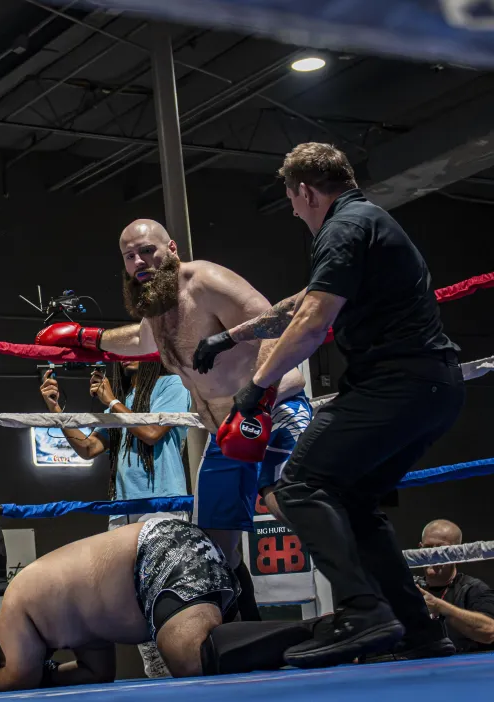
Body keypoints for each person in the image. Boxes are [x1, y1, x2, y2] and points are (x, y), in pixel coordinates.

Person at [198, 143, 465, 667]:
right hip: (431, 389)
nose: (295, 211)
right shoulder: (365, 223)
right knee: (355, 500)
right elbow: (300, 303)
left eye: (292, 201)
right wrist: (231, 336)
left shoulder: (342, 228)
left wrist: (257, 388)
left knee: (299, 483)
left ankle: (362, 610)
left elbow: (312, 322)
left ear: (305, 191)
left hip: (399, 385)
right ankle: (418, 630)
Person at [36, 219, 313, 619]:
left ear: (171, 248)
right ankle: (244, 632)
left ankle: (375, 605)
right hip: (225, 435)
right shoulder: (157, 307)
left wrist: (259, 396)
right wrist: (85, 337)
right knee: (216, 548)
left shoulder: (204, 281)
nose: (139, 261)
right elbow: (139, 341)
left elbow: (274, 325)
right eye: (129, 256)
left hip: (274, 411)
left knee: (299, 506)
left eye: (147, 250)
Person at [0, 518, 317, 690]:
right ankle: (303, 639)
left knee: (188, 658)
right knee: (221, 665)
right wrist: (51, 673)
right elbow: (96, 674)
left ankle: (320, 630)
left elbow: (21, 675)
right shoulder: (67, 622)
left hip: (158, 554)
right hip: (171, 555)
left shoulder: (13, 606)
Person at [41, 359, 190, 678]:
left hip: (160, 504)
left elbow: (152, 432)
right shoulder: (121, 402)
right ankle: (159, 675)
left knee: (165, 593)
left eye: (135, 348)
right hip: (121, 511)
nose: (126, 354)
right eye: (121, 351)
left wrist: (110, 401)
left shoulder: (171, 385)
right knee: (132, 599)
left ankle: (184, 670)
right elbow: (88, 447)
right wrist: (56, 409)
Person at [417, 520, 494, 653]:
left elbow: (490, 631)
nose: (432, 555)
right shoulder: (413, 589)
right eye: (428, 547)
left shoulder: (473, 589)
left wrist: (440, 607)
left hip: (465, 664)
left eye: (441, 549)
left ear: (457, 553)